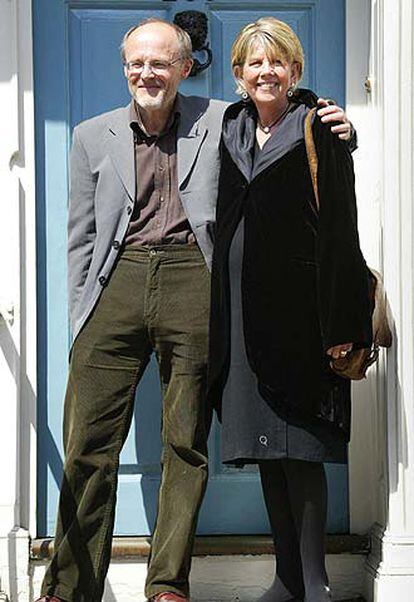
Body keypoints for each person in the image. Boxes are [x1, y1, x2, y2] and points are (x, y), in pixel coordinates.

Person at [36, 17, 355, 602]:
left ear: (185, 68)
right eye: (137, 62)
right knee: (88, 442)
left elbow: (279, 103)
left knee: (185, 439)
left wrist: (335, 118)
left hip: (193, 277)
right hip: (117, 280)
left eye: (160, 62)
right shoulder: (90, 134)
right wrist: (82, 310)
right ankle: (70, 585)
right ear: (124, 66)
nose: (147, 73)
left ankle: (167, 586)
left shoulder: (219, 118)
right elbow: (80, 235)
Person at [208, 17, 372, 602]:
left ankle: (317, 583)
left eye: (277, 62)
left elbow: (340, 229)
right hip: (243, 318)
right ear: (238, 75)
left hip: (303, 320)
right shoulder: (229, 129)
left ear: (295, 71)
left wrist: (341, 322)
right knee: (266, 454)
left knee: (300, 451)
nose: (266, 72)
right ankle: (286, 578)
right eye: (254, 63)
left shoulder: (319, 127)